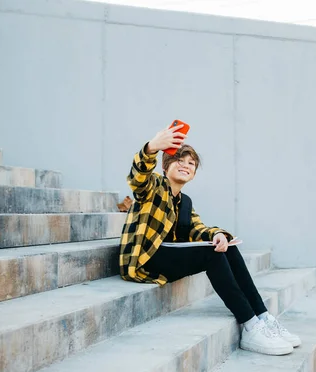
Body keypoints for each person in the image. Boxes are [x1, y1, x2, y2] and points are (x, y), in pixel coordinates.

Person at [118, 123, 300, 356]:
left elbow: (197, 228)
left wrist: (218, 236)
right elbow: (138, 176)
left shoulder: (185, 202)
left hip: (166, 254)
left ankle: (262, 317)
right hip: (143, 259)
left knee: (226, 247)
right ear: (165, 167)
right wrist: (152, 147)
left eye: (191, 163)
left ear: (194, 173)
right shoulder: (153, 187)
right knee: (209, 254)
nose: (185, 165)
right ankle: (250, 325)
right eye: (179, 161)